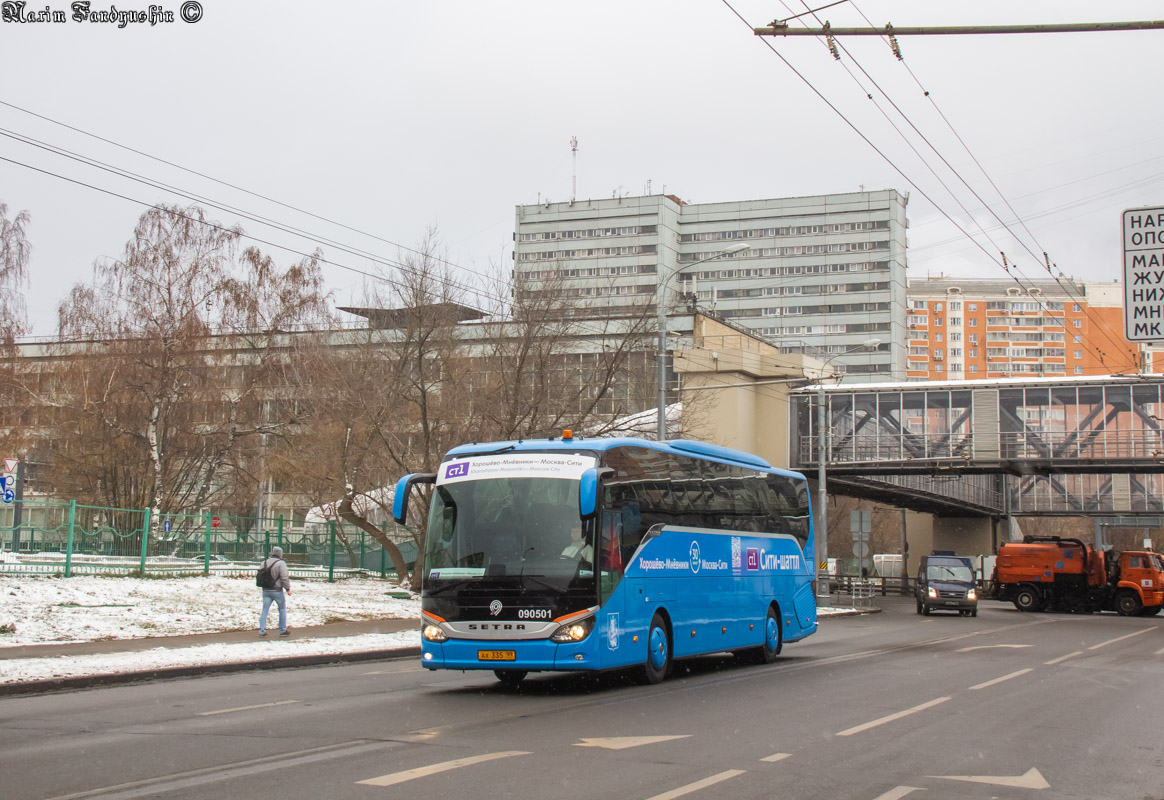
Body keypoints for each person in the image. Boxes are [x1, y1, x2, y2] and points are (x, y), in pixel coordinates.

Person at [258, 546, 291, 636]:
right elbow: (284, 577)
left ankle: (262, 630)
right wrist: (288, 588)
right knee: (282, 609)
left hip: (266, 590)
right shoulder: (281, 563)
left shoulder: (263, 563)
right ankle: (283, 630)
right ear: (280, 554)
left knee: (264, 609)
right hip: (277, 591)